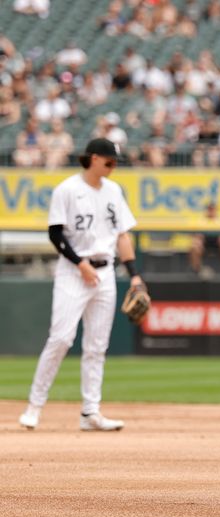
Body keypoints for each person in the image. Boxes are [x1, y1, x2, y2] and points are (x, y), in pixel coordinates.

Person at [19, 138, 142, 431]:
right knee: (61, 338)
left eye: (115, 163)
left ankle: (90, 413)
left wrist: (134, 274)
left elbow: (122, 235)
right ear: (94, 158)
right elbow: (55, 234)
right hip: (74, 272)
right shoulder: (68, 189)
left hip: (106, 273)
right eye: (109, 162)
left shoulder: (114, 191)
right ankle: (34, 406)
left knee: (97, 346)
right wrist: (80, 263)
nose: (113, 167)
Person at [189, 202, 220, 277]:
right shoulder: (201, 221)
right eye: (209, 209)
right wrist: (198, 239)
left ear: (216, 210)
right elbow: (195, 236)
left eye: (213, 209)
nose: (211, 211)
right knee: (194, 246)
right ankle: (196, 270)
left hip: (218, 243)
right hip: (205, 243)